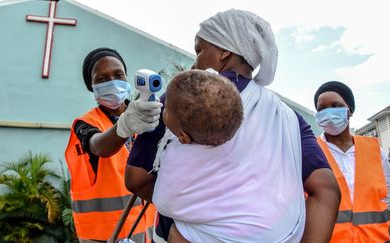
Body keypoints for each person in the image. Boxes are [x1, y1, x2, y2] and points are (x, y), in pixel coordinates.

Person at [125, 9, 341, 243]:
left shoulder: (181, 100)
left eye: (200, 49)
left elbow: (137, 179)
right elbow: (326, 190)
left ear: (224, 50)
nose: (195, 61)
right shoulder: (288, 117)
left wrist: (193, 213)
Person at [64, 48, 161, 242]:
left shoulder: (144, 116)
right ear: (91, 86)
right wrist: (124, 125)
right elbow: (100, 146)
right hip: (103, 236)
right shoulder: (85, 124)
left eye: (118, 75)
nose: (112, 82)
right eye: (102, 79)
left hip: (145, 232)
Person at [151, 70, 245, 241]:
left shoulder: (175, 159)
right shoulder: (233, 150)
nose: (164, 106)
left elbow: (162, 202)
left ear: (183, 137)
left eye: (167, 108)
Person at [314, 81, 390, 242]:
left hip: (374, 238)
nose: (329, 112)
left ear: (349, 110)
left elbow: (389, 196)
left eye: (336, 105)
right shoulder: (311, 152)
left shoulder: (375, 151)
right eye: (322, 108)